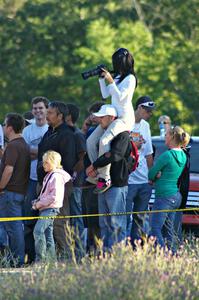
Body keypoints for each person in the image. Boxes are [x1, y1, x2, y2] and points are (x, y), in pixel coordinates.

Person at [87, 48, 137, 193]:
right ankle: (95, 173)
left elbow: (121, 98)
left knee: (104, 141)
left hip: (123, 118)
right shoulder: (118, 77)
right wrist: (102, 79)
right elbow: (105, 94)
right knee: (90, 141)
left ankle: (105, 177)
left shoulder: (130, 79)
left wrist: (110, 80)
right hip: (112, 115)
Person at [86, 104, 131, 250]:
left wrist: (95, 165)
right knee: (104, 222)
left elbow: (116, 155)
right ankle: (106, 255)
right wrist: (96, 167)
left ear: (111, 118)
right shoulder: (103, 134)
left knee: (117, 223)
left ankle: (118, 256)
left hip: (117, 183)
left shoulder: (123, 135)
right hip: (103, 183)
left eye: (102, 117)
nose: (99, 120)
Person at [37, 101, 77, 258]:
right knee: (47, 226)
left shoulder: (67, 134)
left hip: (58, 186)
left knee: (59, 223)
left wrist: (56, 186)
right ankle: (52, 258)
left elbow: (67, 163)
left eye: (51, 113)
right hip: (44, 183)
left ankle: (67, 257)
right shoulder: (48, 132)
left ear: (60, 116)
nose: (47, 115)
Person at [148, 126, 189, 252]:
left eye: (166, 135)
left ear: (172, 137)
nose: (165, 137)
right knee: (168, 230)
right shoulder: (183, 154)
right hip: (175, 196)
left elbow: (150, 174)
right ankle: (173, 254)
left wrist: (156, 176)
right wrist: (159, 174)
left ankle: (164, 255)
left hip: (164, 197)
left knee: (154, 228)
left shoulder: (167, 155)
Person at [0, 113, 30, 266]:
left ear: (10, 128)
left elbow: (9, 170)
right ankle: (15, 259)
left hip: (10, 193)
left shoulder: (13, 145)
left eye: (5, 125)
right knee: (14, 227)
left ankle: (16, 260)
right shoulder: (23, 144)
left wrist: (0, 187)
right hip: (18, 192)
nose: (4, 128)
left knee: (13, 228)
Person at [22, 96, 49, 263]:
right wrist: (39, 152)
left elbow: (49, 154)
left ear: (47, 110)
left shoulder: (50, 129)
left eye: (41, 108)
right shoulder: (28, 130)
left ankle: (46, 257)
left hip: (48, 180)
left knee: (45, 222)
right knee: (29, 220)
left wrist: (35, 152)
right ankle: (30, 258)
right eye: (35, 108)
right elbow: (24, 152)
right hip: (31, 179)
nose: (38, 111)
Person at [126, 96, 155, 245]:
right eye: (148, 111)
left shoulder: (146, 126)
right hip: (128, 180)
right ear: (139, 108)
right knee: (124, 217)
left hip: (144, 181)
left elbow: (149, 153)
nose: (150, 114)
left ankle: (135, 248)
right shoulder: (126, 123)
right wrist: (133, 145)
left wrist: (151, 176)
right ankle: (121, 249)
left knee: (139, 218)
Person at [32, 151, 71, 262]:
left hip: (50, 208)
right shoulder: (50, 175)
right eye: (43, 162)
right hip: (47, 208)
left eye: (46, 162)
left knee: (38, 231)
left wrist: (38, 204)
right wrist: (38, 201)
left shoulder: (56, 176)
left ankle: (41, 260)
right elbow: (47, 194)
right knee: (48, 234)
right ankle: (51, 260)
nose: (44, 165)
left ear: (54, 162)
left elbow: (54, 196)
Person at [65, 103, 86, 256]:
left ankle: (79, 253)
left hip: (75, 183)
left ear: (68, 116)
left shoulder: (77, 134)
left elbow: (82, 158)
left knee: (76, 216)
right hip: (66, 183)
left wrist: (72, 177)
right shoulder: (67, 133)